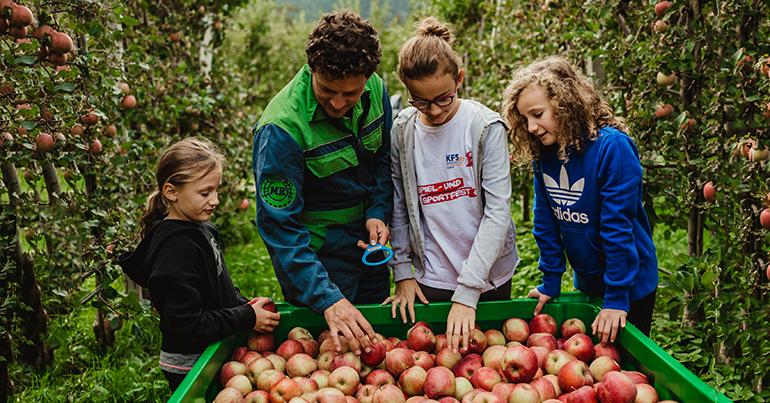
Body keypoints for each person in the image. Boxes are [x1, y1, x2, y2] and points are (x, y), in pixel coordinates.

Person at [252, 10, 393, 356]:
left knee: (374, 350)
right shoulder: (282, 130)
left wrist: (377, 210)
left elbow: (385, 160)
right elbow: (280, 228)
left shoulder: (375, 91)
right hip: (321, 259)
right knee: (329, 355)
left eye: (352, 93)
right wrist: (327, 298)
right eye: (327, 90)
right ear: (311, 69)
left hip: (369, 250)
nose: (339, 103)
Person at [501, 56, 659, 345]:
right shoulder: (544, 153)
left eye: (537, 114)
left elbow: (617, 228)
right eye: (525, 119)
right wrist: (551, 280)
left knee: (624, 367)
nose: (532, 127)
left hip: (630, 285)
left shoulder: (612, 148)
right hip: (589, 281)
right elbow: (545, 221)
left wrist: (616, 298)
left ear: (564, 105)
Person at [386, 17, 520, 351]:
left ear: (459, 79)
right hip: (431, 279)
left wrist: (470, 288)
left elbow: (498, 213)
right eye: (420, 101)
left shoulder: (485, 128)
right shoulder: (403, 131)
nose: (433, 111)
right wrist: (402, 270)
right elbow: (400, 203)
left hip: (487, 278)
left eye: (443, 99)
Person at [118, 138, 280, 391]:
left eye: (216, 190)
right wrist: (246, 316)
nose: (214, 200)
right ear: (171, 192)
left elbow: (213, 287)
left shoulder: (201, 228)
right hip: (192, 364)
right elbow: (188, 326)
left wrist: (242, 303)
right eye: (205, 193)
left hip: (214, 349)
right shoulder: (176, 251)